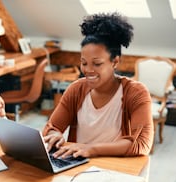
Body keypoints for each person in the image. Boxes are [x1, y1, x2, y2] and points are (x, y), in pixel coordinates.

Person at [43, 12, 153, 158]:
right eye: (84, 63)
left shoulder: (135, 92)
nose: (88, 70)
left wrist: (91, 149)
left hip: (117, 167)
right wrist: (54, 135)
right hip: (79, 164)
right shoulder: (76, 89)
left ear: (115, 62)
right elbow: (52, 127)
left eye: (97, 63)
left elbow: (141, 143)